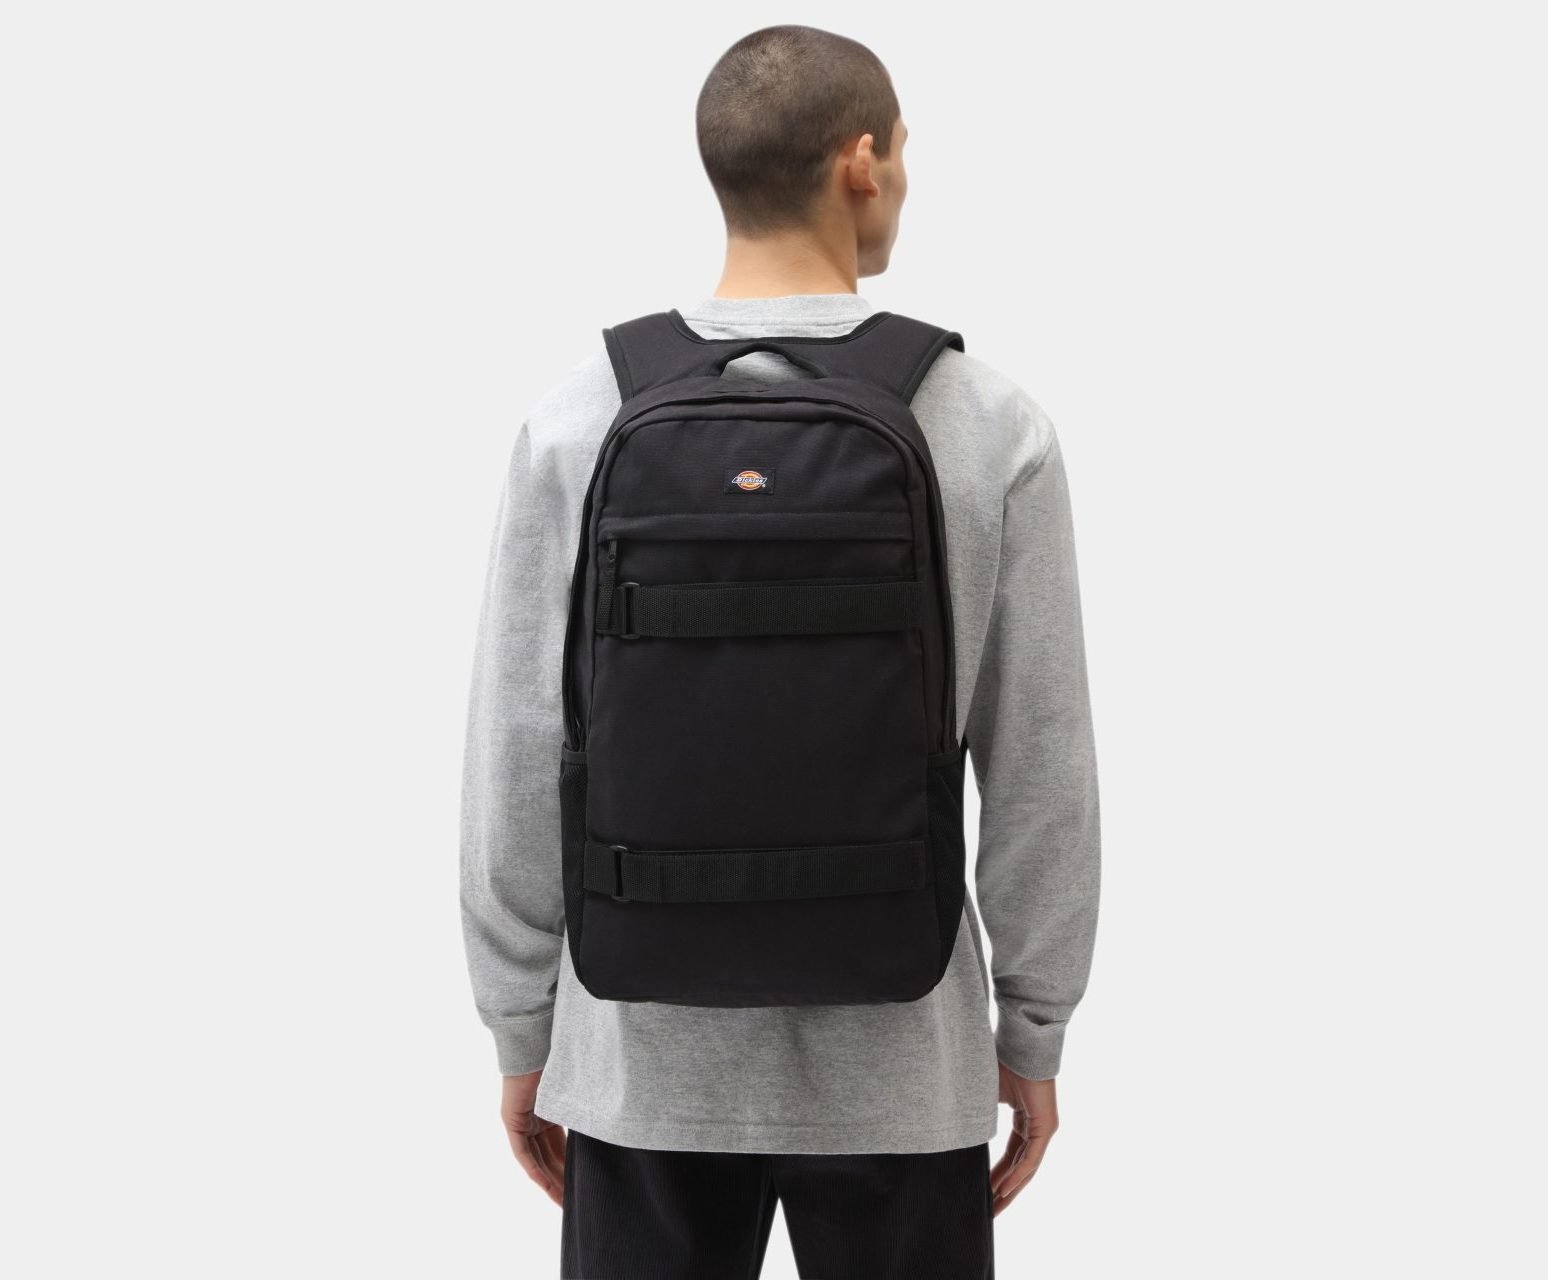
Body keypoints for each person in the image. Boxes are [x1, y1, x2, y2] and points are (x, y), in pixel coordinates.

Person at [460, 24, 1101, 1279]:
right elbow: (1041, 764)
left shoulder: (577, 417)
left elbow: (518, 750)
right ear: (862, 161)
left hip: (638, 1063)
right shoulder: (990, 424)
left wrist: (520, 1023)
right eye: (904, 152)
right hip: (903, 1069)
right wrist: (1034, 1029)